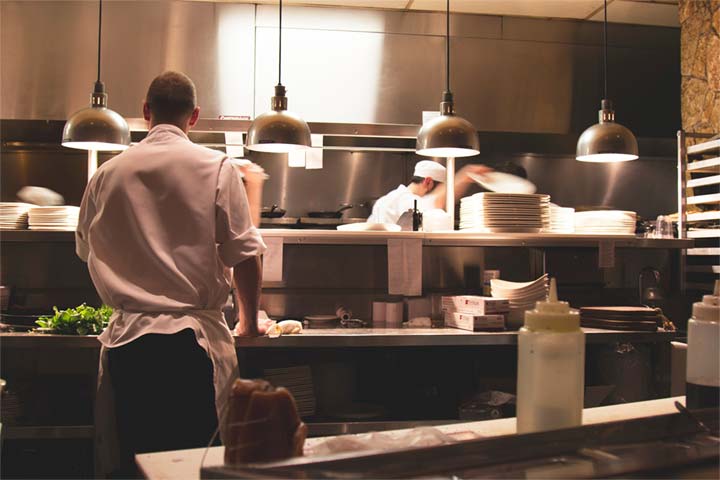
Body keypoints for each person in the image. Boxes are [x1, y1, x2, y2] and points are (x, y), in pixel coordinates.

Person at [75, 71, 267, 476]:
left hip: (128, 346)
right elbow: (245, 254)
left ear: (146, 112)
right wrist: (248, 322)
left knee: (137, 465)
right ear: (194, 116)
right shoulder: (216, 166)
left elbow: (85, 250)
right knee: (195, 467)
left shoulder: (106, 174)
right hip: (190, 349)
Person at [367, 160, 491, 224]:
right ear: (428, 181)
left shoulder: (385, 199)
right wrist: (465, 175)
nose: (439, 191)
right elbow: (436, 201)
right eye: (440, 187)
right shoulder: (408, 201)